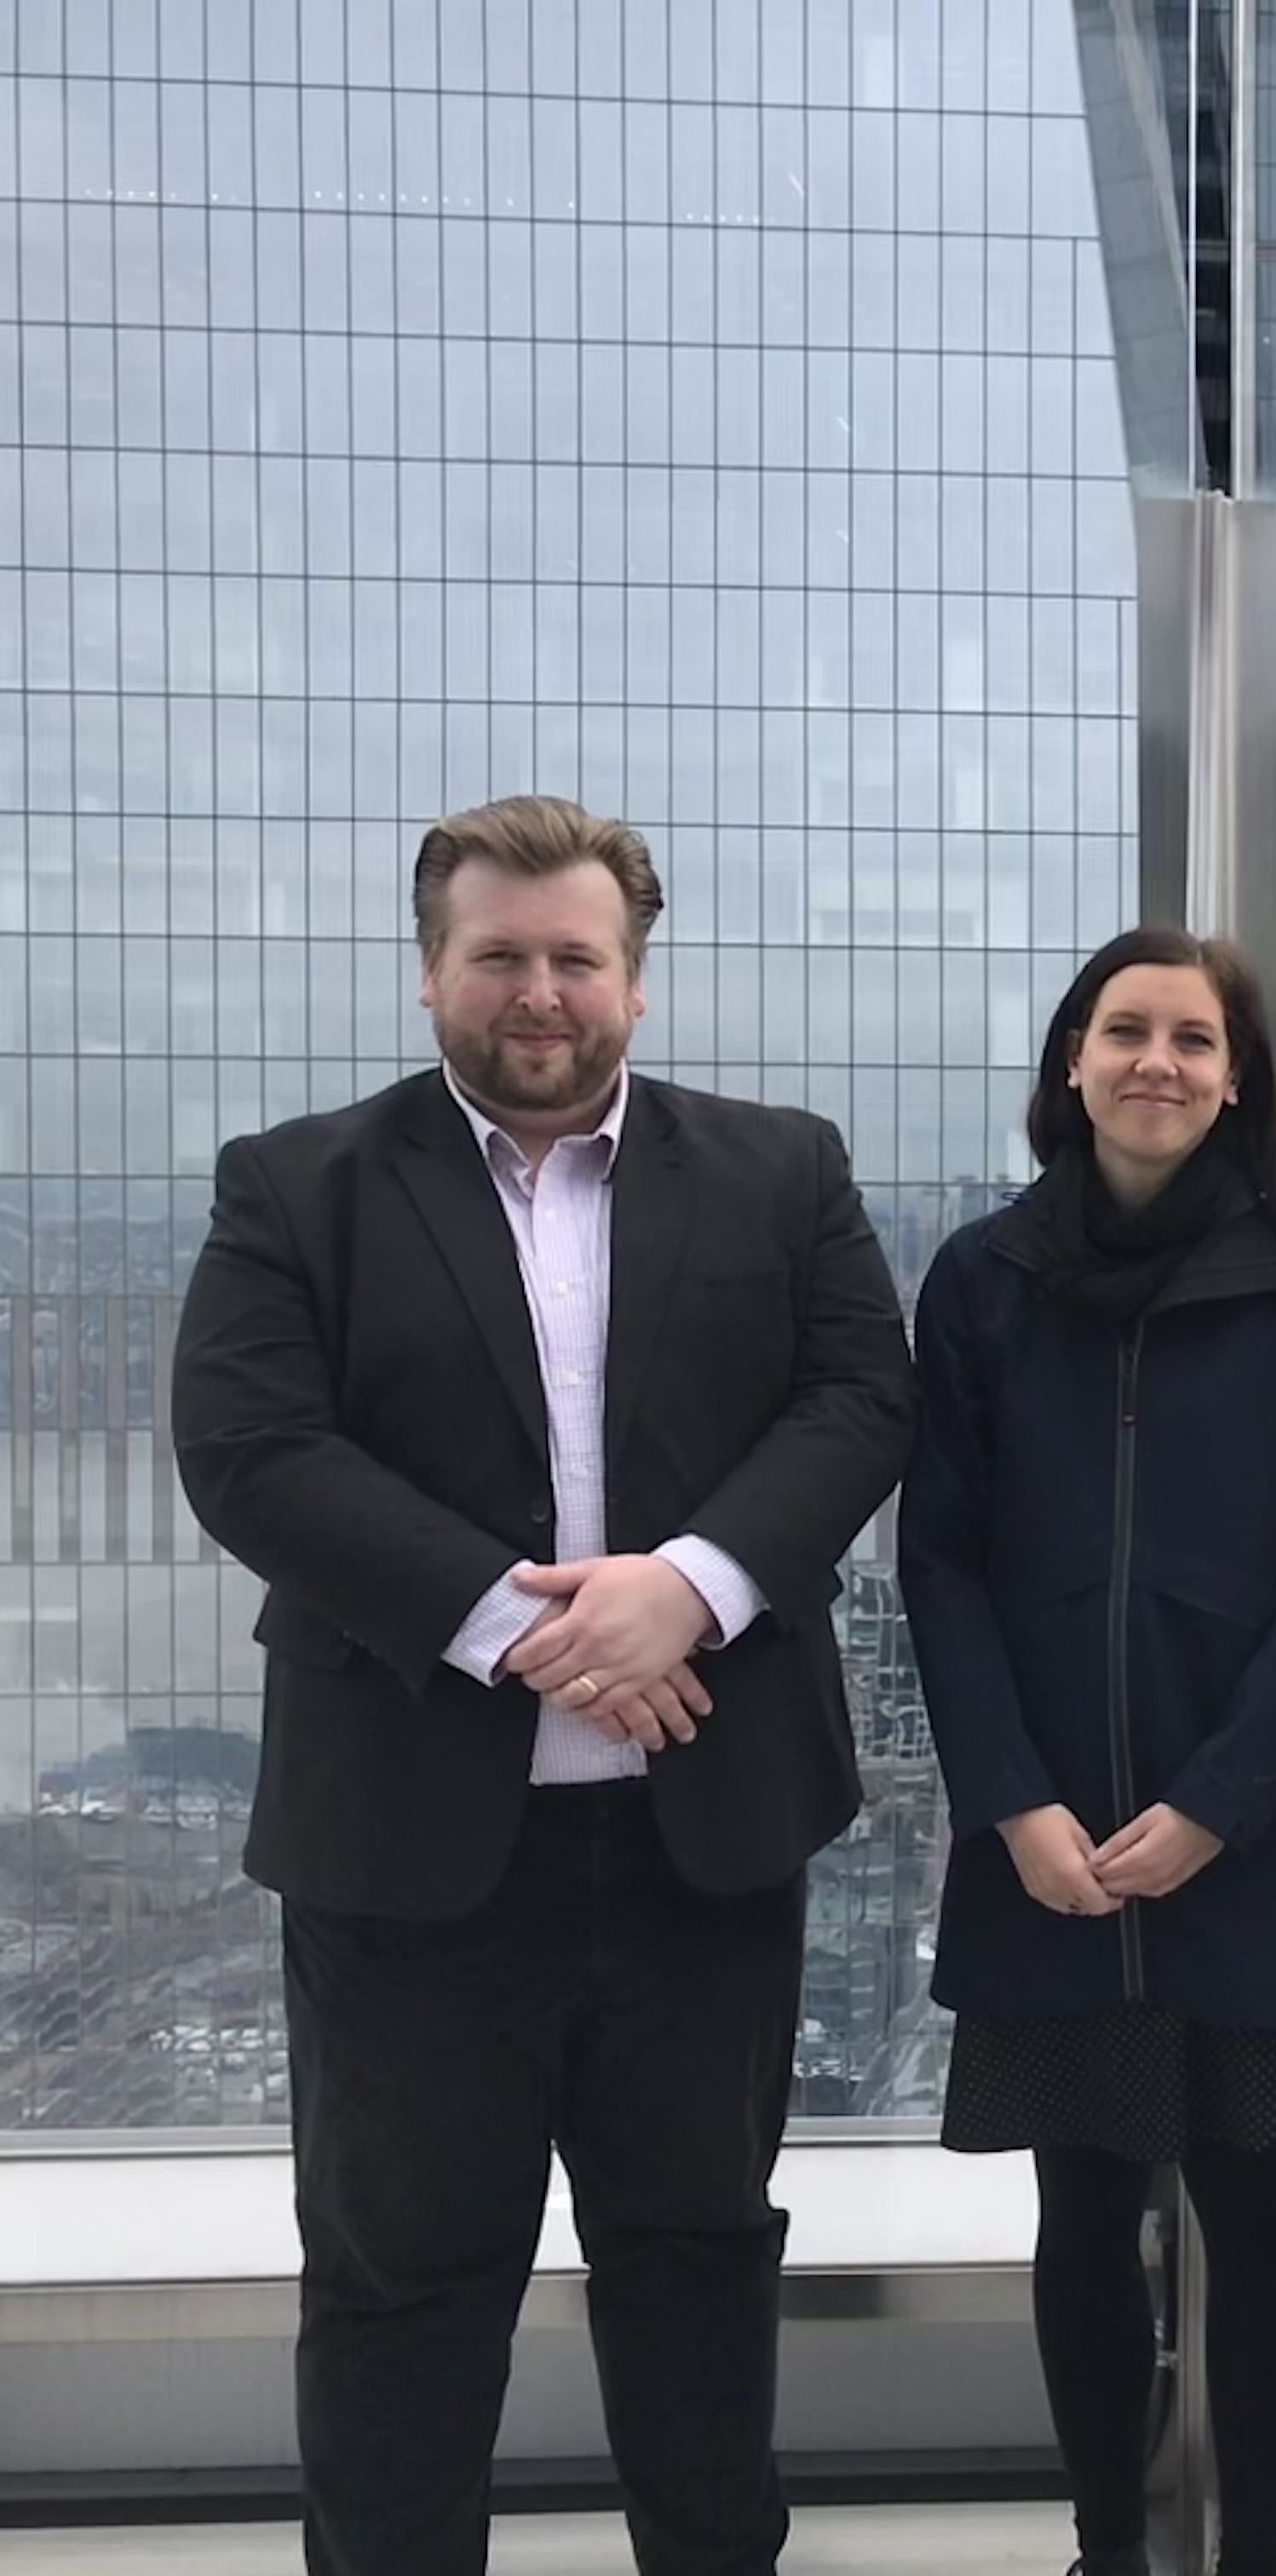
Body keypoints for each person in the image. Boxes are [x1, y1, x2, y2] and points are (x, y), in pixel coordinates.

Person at [168, 794, 917, 2576]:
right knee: (400, 2303)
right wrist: (527, 1627)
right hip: (409, 1870)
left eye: (575, 957)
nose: (538, 991)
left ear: (634, 985)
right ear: (432, 972)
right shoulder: (295, 1186)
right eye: (498, 954)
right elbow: (250, 1448)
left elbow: (862, 1402)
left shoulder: (783, 1169)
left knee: (700, 2277)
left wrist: (691, 1589)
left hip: (701, 1850)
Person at [899, 927, 1276, 2576]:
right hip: (1048, 1842)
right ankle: (1108, 2548)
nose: (1157, 1063)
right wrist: (1014, 1802)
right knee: (1080, 2213)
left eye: (1193, 1038)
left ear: (1236, 1074)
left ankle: (1251, 2556)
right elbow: (940, 1557)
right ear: (1072, 1059)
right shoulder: (984, 1276)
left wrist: (1216, 1806)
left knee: (1256, 2210)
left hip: (1235, 1845)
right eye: (1127, 1032)